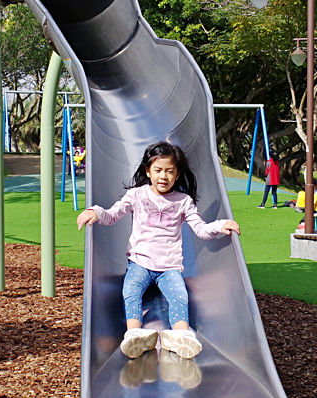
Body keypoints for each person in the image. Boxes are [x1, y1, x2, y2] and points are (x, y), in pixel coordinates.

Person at [77, 141, 241, 360]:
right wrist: (96, 212)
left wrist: (220, 225)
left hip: (169, 267)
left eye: (170, 171)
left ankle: (181, 335)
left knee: (179, 295)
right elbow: (113, 214)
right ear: (148, 170)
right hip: (140, 262)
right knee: (131, 291)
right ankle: (134, 333)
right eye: (158, 170)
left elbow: (200, 229)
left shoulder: (183, 201)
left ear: (178, 174)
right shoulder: (137, 195)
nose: (163, 176)